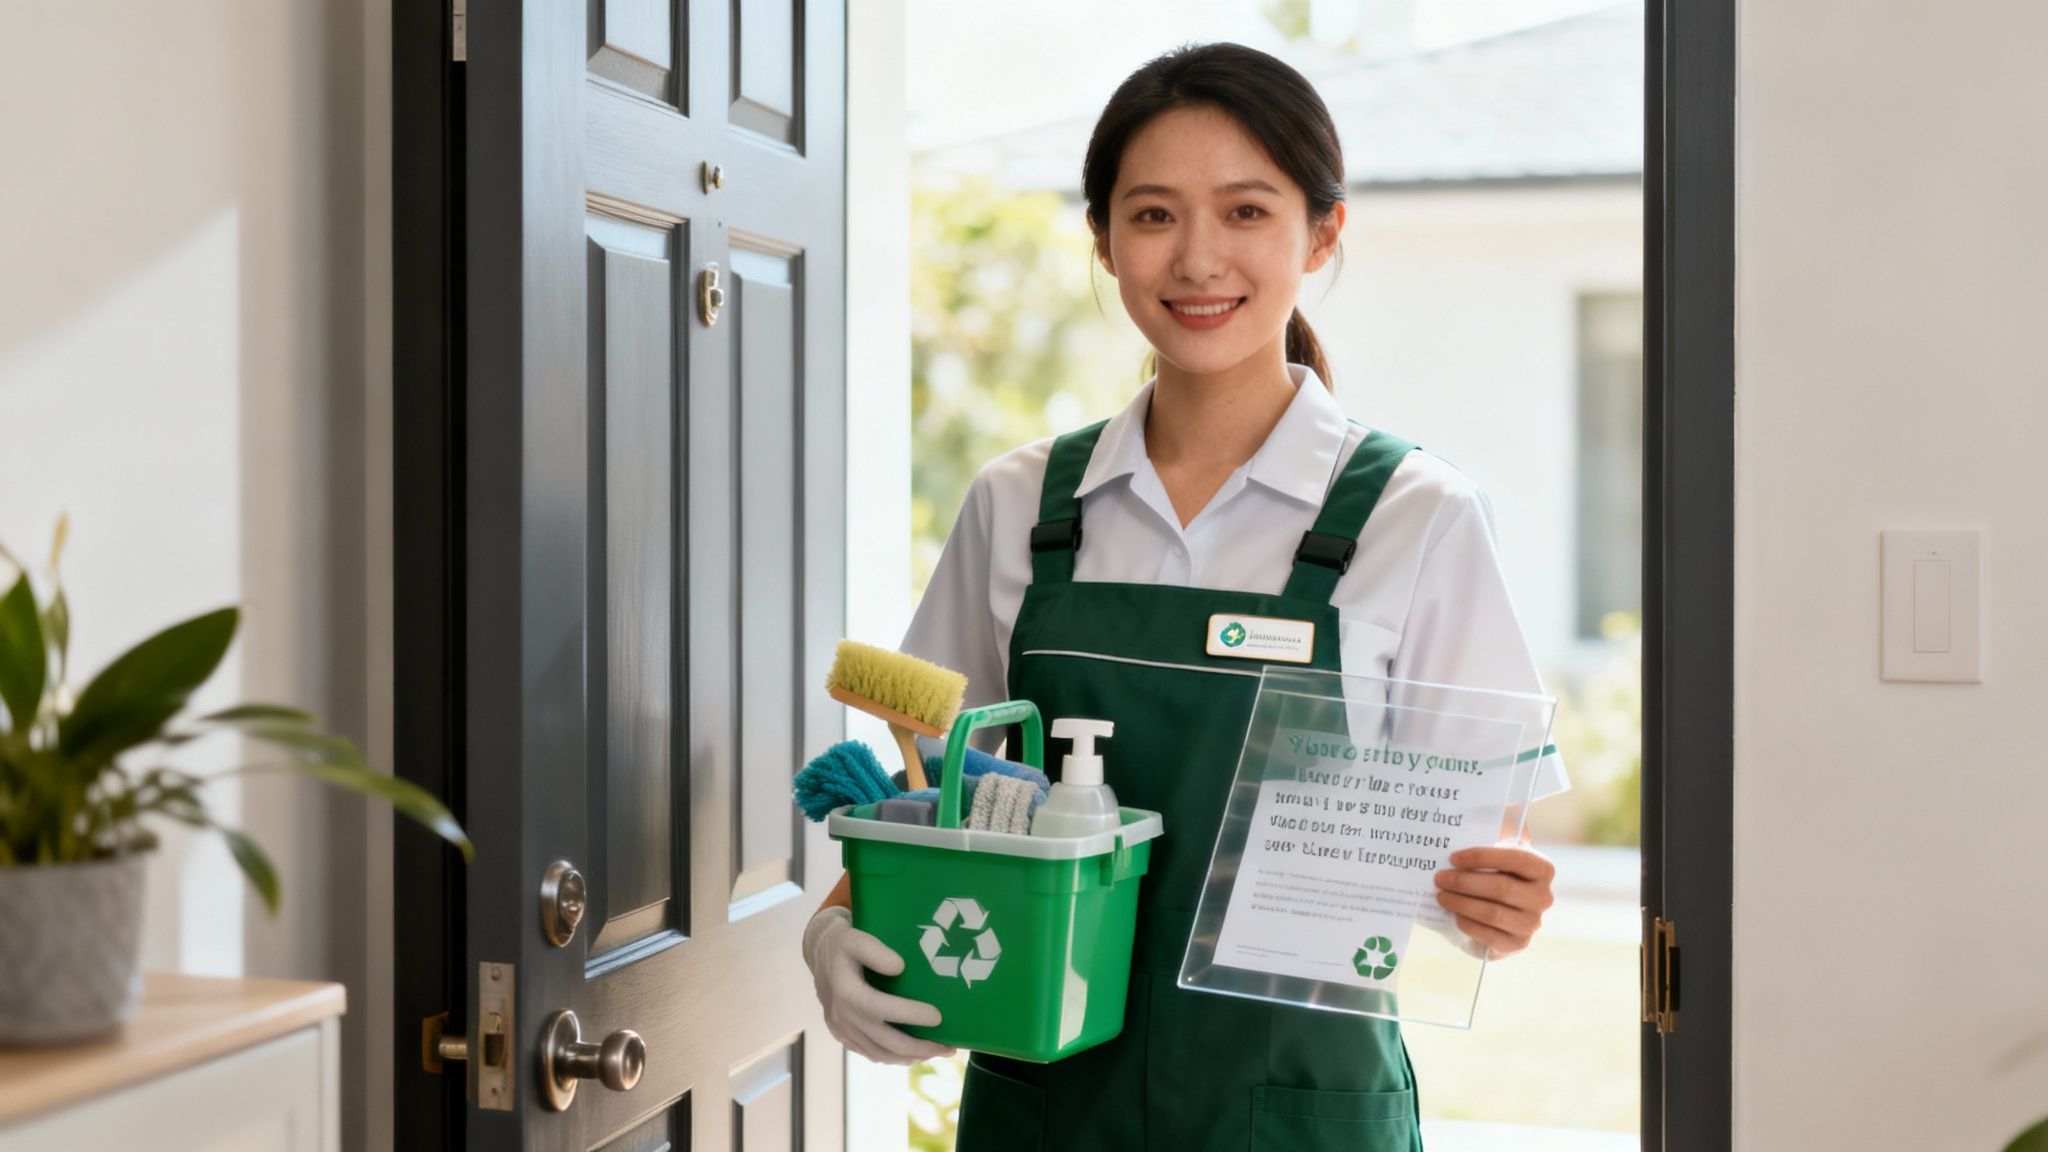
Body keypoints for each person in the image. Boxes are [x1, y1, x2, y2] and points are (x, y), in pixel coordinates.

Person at [802, 41, 1568, 1151]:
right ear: (1104, 243)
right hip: (1048, 1109)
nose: (1197, 258)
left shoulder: (1419, 517)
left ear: (1320, 232)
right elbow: (934, 799)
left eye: (1246, 212)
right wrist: (839, 939)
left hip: (1302, 1111)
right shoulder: (1018, 504)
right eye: (1152, 215)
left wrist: (1494, 909)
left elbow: (1469, 869)